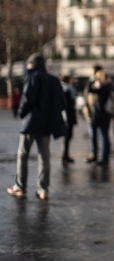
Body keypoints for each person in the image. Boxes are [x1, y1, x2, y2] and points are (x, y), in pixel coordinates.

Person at [7, 53, 66, 200]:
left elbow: (28, 98)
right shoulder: (53, 80)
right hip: (47, 123)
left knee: (23, 153)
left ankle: (20, 187)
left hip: (32, 122)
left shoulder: (33, 77)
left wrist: (21, 113)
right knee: (44, 156)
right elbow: (61, 101)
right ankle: (43, 189)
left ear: (32, 64)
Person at [87, 69, 114, 166]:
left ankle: (103, 158)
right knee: (104, 135)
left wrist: (91, 81)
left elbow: (90, 90)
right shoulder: (109, 86)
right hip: (107, 114)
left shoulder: (104, 86)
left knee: (103, 136)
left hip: (101, 114)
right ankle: (104, 157)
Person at [83, 64, 103, 163]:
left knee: (100, 134)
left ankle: (98, 154)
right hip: (91, 111)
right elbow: (86, 93)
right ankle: (94, 153)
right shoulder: (91, 81)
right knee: (92, 134)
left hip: (98, 111)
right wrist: (86, 105)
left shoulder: (100, 81)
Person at [60, 75, 77, 165]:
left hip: (68, 115)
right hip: (68, 116)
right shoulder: (67, 89)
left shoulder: (67, 89)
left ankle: (65, 154)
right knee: (67, 136)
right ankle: (65, 155)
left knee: (68, 137)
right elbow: (67, 105)